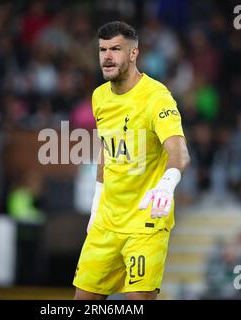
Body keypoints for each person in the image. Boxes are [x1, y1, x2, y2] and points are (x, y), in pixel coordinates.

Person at [73, 21, 190, 300]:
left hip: (145, 222)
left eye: (116, 49)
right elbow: (107, 150)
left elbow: (180, 151)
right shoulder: (99, 96)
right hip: (107, 221)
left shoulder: (157, 97)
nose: (107, 56)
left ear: (134, 53)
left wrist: (167, 184)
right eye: (102, 49)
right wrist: (96, 202)